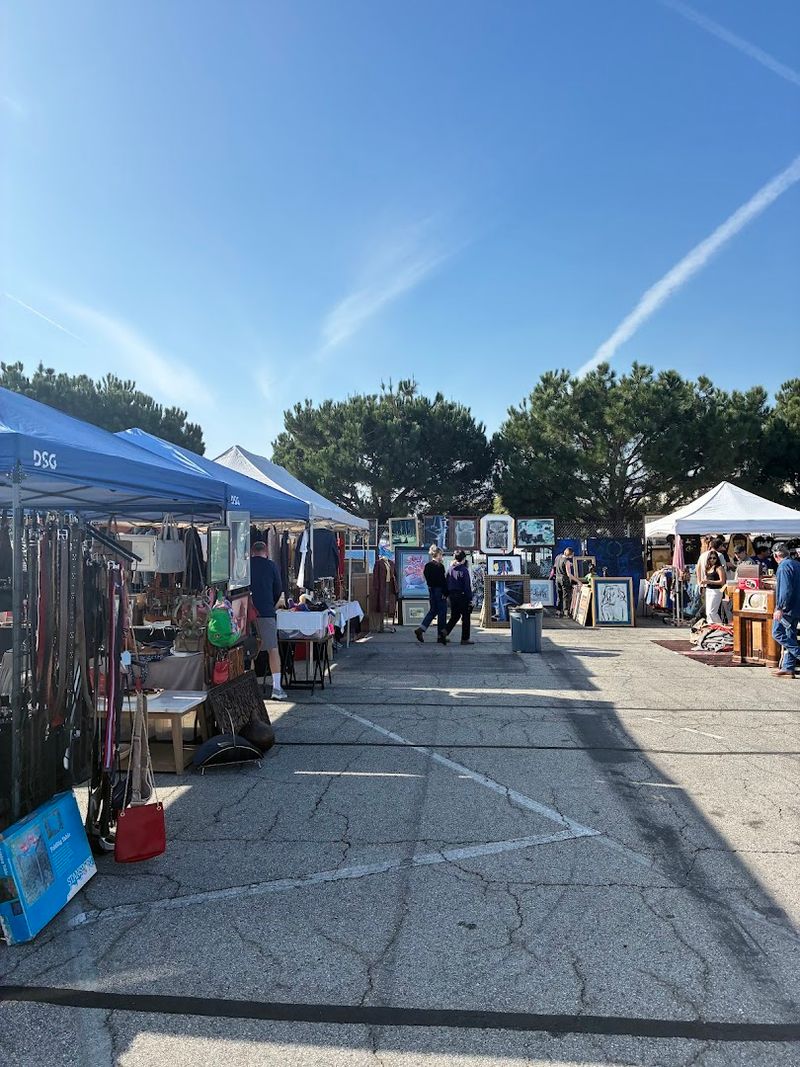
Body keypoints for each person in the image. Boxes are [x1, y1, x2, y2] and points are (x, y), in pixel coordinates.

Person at [250, 541, 287, 700]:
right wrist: (270, 604)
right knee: (272, 649)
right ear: (266, 551)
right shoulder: (271, 566)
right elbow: (278, 588)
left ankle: (250, 688)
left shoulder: (244, 565)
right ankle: (277, 688)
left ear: (252, 552)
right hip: (266, 611)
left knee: (248, 652)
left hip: (246, 612)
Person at [772, 542, 800, 679]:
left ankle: (798, 653)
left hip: (787, 609)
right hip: (796, 607)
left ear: (776, 555)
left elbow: (785, 589)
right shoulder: (796, 564)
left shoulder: (783, 567)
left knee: (777, 633)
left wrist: (780, 607)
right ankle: (788, 668)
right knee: (790, 635)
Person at [415, 546, 448, 645]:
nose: (442, 557)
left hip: (431, 590)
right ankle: (440, 636)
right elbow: (443, 581)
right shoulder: (440, 566)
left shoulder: (427, 566)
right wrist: (445, 593)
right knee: (442, 612)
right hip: (439, 591)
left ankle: (421, 628)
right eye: (441, 554)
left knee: (433, 610)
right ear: (437, 555)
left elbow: (426, 578)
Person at [445, 550, 474, 644]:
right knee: (466, 617)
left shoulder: (450, 569)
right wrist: (470, 598)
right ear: (464, 559)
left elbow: (446, 582)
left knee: (455, 616)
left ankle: (444, 631)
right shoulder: (464, 570)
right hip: (462, 596)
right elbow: (467, 586)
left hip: (452, 596)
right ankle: (465, 639)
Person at [701, 549, 727, 625]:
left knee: (712, 612)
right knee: (708, 612)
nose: (712, 560)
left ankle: (719, 626)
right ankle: (711, 626)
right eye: (710, 558)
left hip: (716, 591)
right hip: (708, 590)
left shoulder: (719, 568)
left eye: (714, 558)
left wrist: (709, 582)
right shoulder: (708, 568)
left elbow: (722, 581)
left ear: (717, 559)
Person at [552, 547, 576, 618]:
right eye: (572, 555)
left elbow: (555, 566)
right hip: (564, 579)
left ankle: (558, 611)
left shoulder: (558, 557)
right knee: (566, 596)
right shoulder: (567, 561)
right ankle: (566, 612)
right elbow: (569, 574)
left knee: (559, 596)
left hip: (557, 579)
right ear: (571, 554)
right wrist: (578, 581)